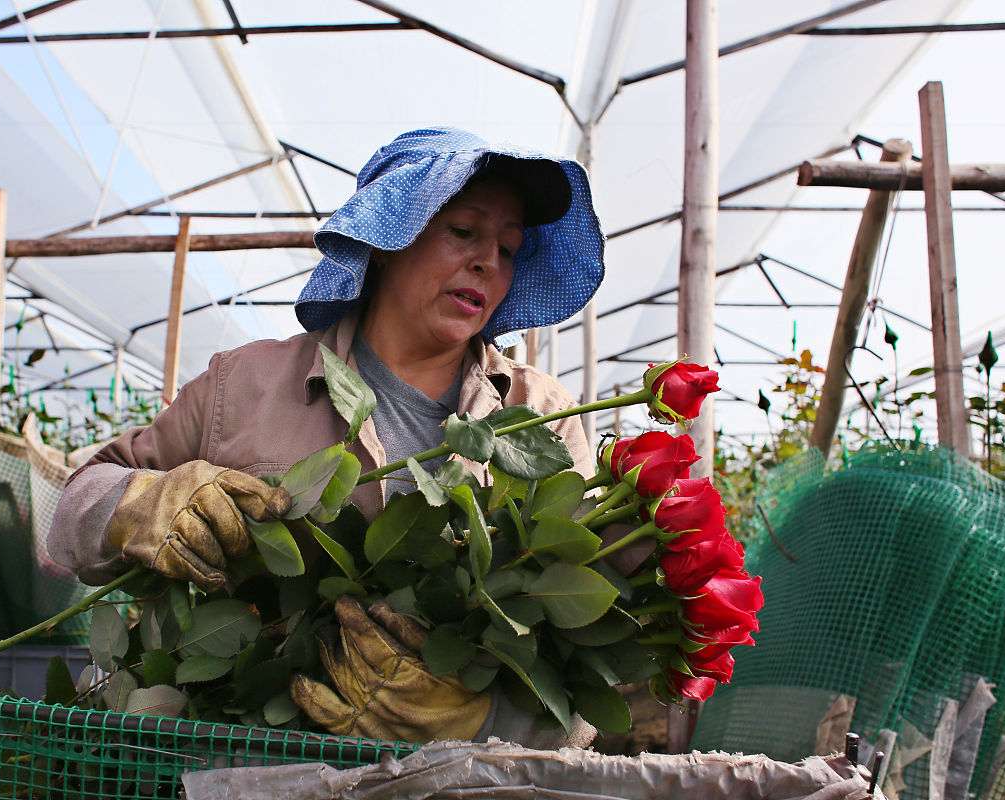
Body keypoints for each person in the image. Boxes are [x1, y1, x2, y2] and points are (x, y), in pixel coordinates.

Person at [49, 126, 606, 747]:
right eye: (462, 231)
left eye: (508, 248)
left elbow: (583, 665)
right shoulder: (246, 384)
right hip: (248, 760)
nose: (488, 263)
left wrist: (480, 721)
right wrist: (142, 504)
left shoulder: (539, 416)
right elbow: (75, 508)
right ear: (387, 240)